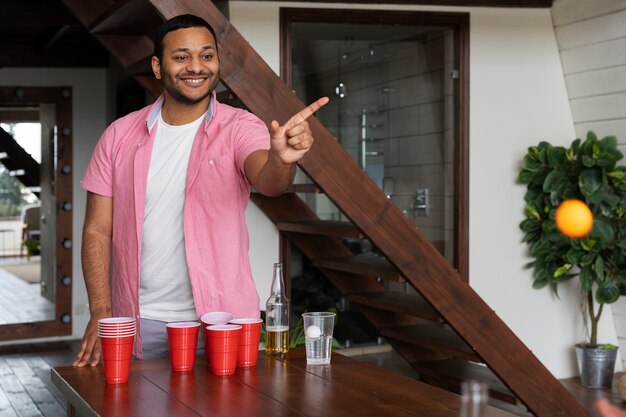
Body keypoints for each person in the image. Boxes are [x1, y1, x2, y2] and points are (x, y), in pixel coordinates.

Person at [73, 14, 328, 366]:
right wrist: (101, 311)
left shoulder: (240, 127)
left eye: (207, 56)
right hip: (140, 322)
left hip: (224, 323)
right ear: (158, 66)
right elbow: (97, 230)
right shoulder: (119, 136)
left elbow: (269, 181)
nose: (196, 66)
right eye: (181, 57)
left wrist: (282, 159)